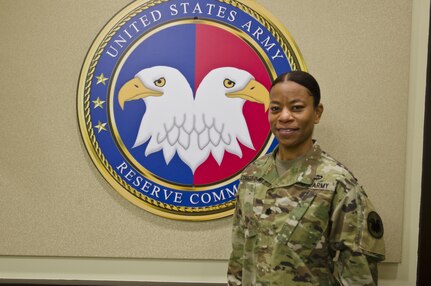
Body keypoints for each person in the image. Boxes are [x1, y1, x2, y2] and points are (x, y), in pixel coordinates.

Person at [227, 71, 385, 286]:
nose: (284, 117)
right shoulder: (252, 175)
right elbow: (239, 254)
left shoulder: (337, 184)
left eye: (297, 108)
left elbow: (357, 273)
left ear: (317, 113)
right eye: (275, 109)